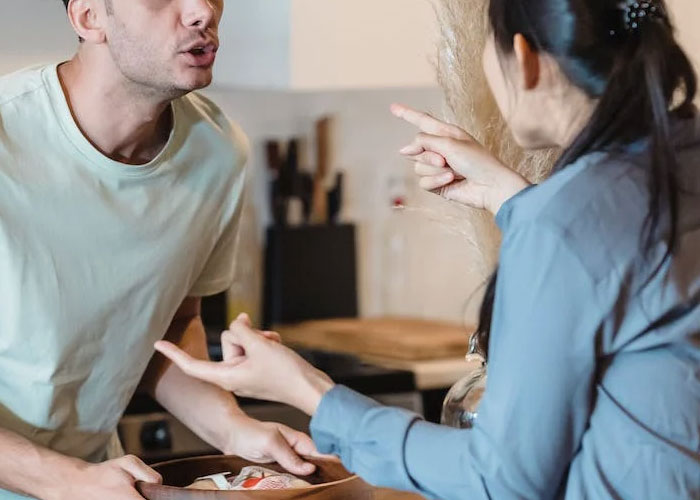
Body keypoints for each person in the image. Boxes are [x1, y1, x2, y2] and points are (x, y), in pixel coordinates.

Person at [155, 0, 700, 498]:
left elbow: (503, 477)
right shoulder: (681, 157)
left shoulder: (565, 222)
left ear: (525, 60)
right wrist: (508, 195)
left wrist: (310, 391)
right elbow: (628, 262)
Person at [0, 1, 318, 499]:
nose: (200, 12)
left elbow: (168, 329)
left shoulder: (217, 154)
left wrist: (232, 427)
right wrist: (64, 480)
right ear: (90, 18)